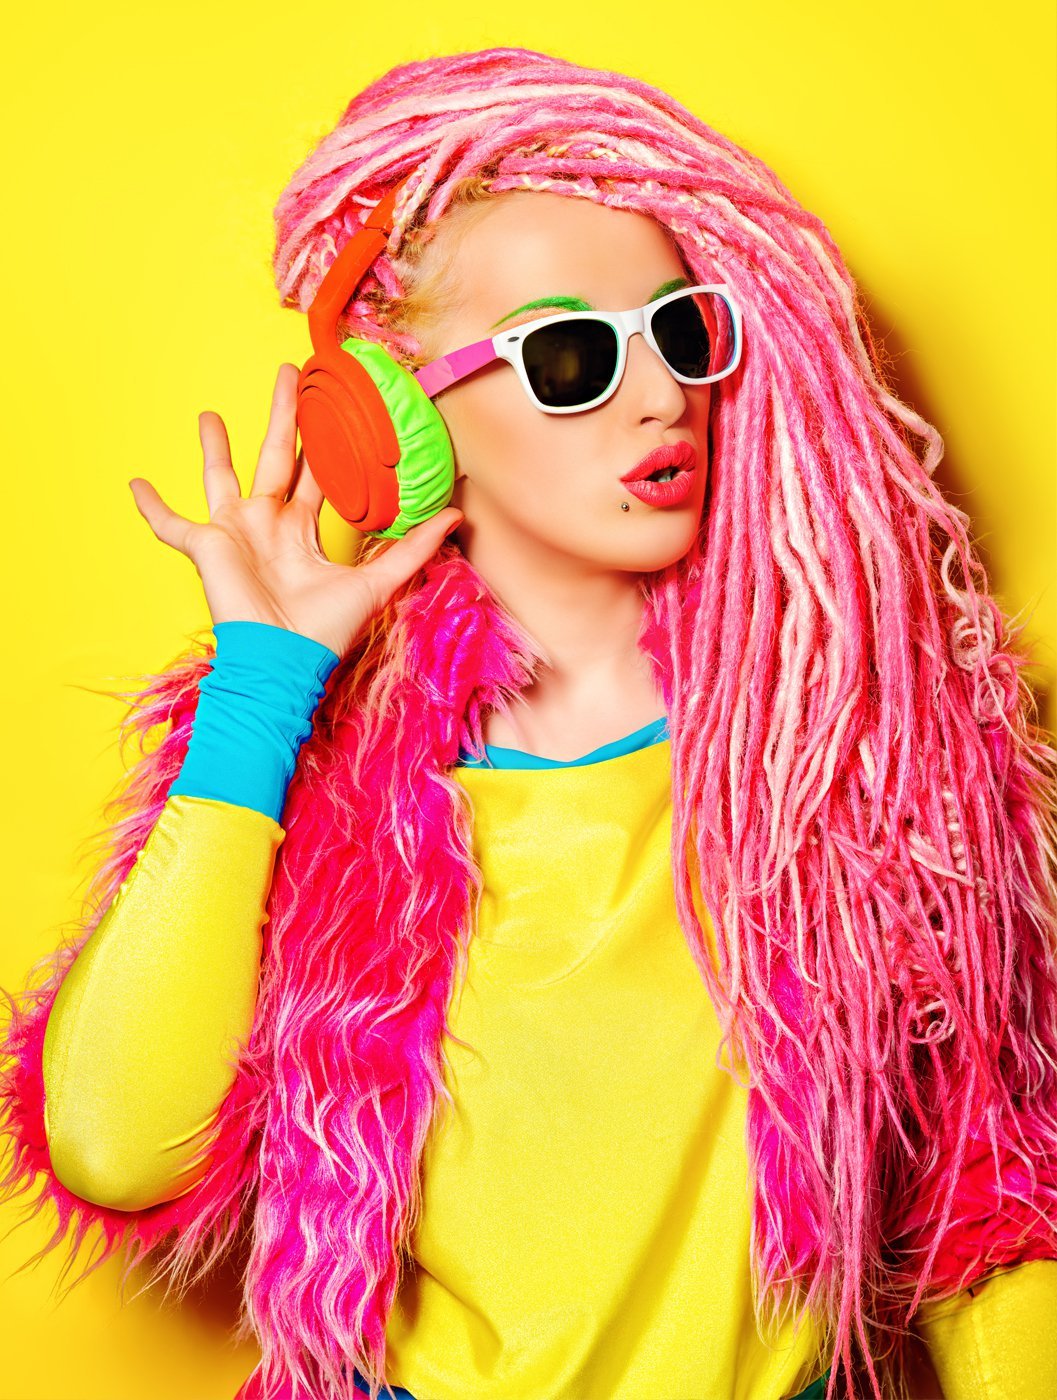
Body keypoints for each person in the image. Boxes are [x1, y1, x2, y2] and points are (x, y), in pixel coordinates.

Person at [2, 45, 1056, 1400]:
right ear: (396, 417)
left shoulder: (853, 742)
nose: (659, 394)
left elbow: (988, 1193)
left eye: (681, 331)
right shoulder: (320, 761)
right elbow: (115, 1144)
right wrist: (261, 693)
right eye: (571, 355)